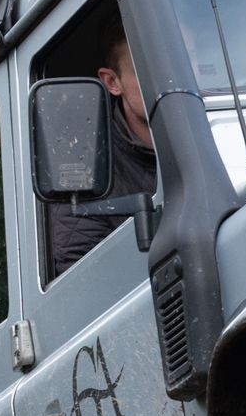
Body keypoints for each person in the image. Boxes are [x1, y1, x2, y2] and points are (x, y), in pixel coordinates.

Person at [42, 29, 159, 278]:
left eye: (189, 60)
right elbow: (87, 281)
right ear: (112, 82)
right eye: (151, 66)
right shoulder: (84, 170)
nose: (175, 77)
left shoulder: (234, 128)